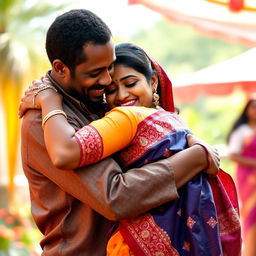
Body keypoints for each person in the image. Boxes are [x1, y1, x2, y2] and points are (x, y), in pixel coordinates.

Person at [19, 9, 220, 255]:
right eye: (95, 73)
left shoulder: (98, 102)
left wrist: (189, 138)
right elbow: (117, 197)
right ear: (61, 68)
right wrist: (197, 157)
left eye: (109, 68)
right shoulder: (43, 122)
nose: (106, 81)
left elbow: (155, 131)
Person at [227, 99, 256, 256]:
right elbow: (233, 155)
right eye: (253, 107)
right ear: (247, 110)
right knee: (252, 213)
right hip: (249, 179)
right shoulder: (242, 131)